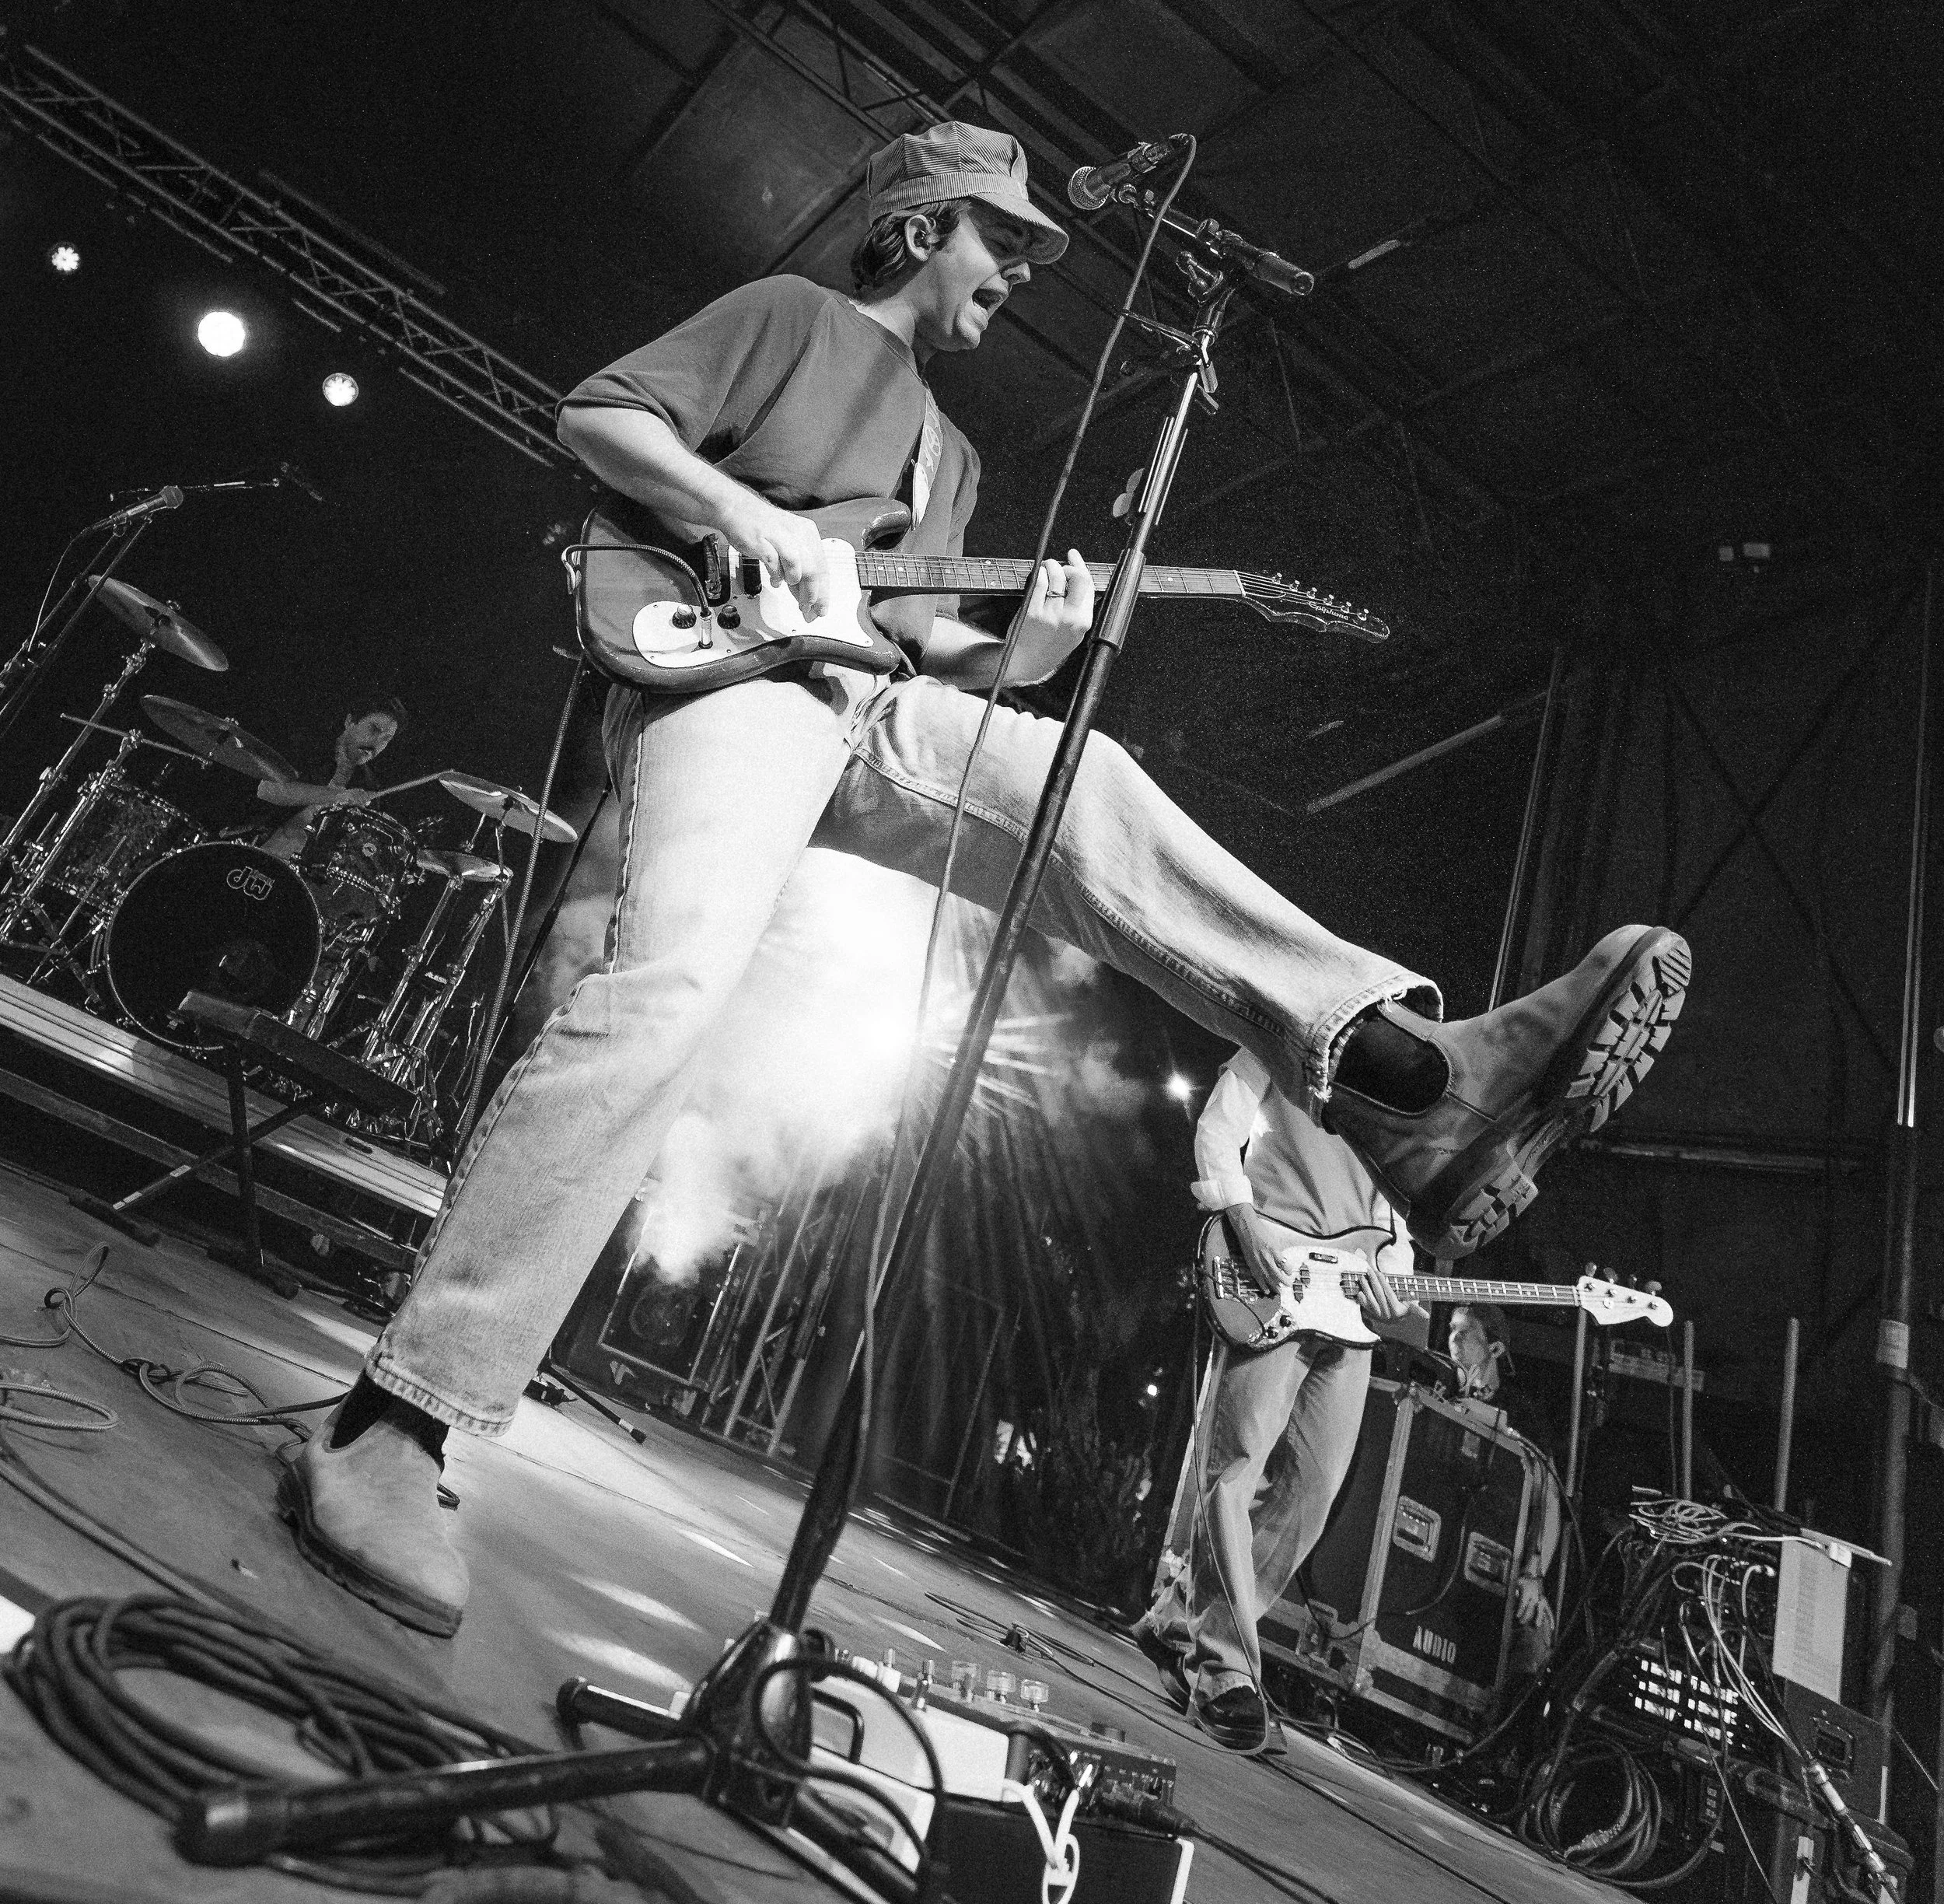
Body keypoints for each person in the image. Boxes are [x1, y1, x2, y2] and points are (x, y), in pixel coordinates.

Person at [275, 119, 1690, 1636]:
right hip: (728, 681)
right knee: (667, 990)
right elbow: (600, 419)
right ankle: (396, 1420)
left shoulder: (944, 459)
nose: (1017, 268)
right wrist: (747, 521)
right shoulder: (791, 321)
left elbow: (918, 642)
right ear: (908, 224)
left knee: (1082, 781)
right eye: (994, 236)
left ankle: (1407, 1077)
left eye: (1026, 247)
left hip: (864, 707)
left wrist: (1025, 651)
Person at [1137, 1052, 1422, 1752]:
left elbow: (1396, 1223)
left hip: (1351, 1313)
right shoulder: (1287, 1043)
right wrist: (1242, 1218)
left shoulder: (1411, 1100)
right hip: (1271, 1279)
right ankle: (1225, 1670)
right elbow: (1219, 1123)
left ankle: (1181, 1620)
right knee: (1233, 1470)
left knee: (1315, 1490)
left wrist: (1395, 1280)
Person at [1446, 1299, 1561, 1679]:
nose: (1452, 1340)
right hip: (1444, 1545)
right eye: (1450, 1330)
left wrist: (1533, 1575)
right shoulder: (1441, 1391)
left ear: (1494, 1349)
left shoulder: (1522, 1412)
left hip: (1505, 1564)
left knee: (1533, 1641)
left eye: (1464, 1333)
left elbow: (1549, 1501)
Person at [255, 696, 409, 862]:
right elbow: (267, 790)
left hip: (302, 872)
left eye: (387, 739)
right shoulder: (308, 747)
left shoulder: (369, 785)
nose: (377, 743)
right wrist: (337, 797)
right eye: (374, 729)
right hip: (257, 844)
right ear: (350, 721)